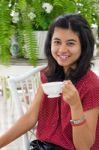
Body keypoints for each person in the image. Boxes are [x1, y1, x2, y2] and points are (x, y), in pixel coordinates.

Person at [0, 13, 99, 150]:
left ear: (84, 46)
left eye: (70, 43)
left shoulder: (91, 85)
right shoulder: (48, 75)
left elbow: (84, 146)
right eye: (57, 42)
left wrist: (75, 106)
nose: (62, 50)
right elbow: (30, 117)